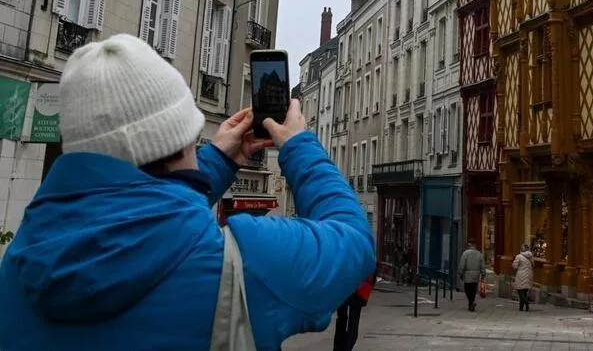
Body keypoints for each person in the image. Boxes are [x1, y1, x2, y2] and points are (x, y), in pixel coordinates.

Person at [0, 34, 375, 350]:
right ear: (180, 143)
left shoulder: (20, 259)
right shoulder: (246, 260)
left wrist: (216, 160)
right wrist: (298, 146)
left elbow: (143, 210)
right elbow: (355, 240)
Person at [334, 272, 374, 351]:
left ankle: (339, 348)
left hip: (344, 286)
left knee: (342, 319)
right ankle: (346, 348)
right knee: (352, 321)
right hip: (358, 288)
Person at [457, 238, 485, 311]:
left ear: (469, 244)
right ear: (475, 245)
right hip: (476, 274)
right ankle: (471, 304)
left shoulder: (465, 253)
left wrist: (460, 273)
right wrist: (483, 274)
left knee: (467, 289)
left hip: (467, 274)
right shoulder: (479, 254)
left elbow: (462, 264)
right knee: (473, 289)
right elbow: (482, 265)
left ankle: (471, 302)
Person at [512, 243, 534, 311]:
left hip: (521, 275)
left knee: (520, 291)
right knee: (524, 292)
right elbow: (533, 265)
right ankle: (521, 307)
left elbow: (515, 266)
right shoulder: (531, 256)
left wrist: (513, 265)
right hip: (529, 275)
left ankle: (526, 303)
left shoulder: (519, 256)